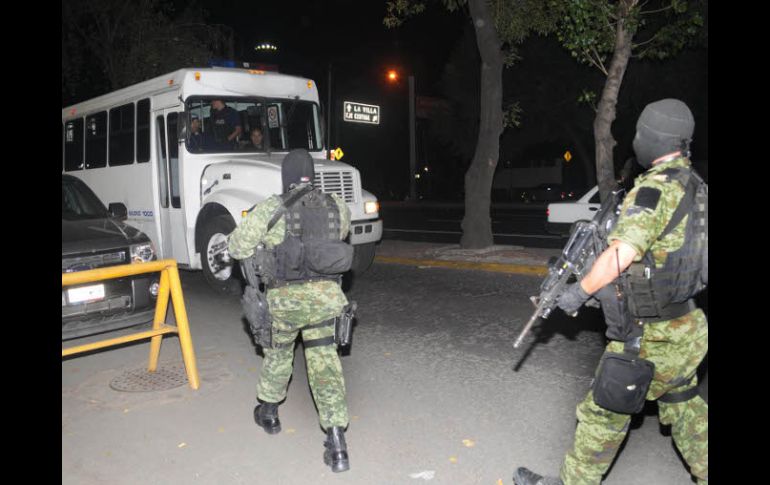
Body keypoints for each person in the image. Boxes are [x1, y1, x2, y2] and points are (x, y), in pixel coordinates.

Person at [513, 99, 708, 485]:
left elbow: (623, 253)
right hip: (687, 327)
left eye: (639, 133)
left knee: (602, 413)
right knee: (686, 410)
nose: (635, 140)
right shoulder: (697, 187)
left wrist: (576, 293)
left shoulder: (655, 190)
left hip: (648, 337)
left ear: (653, 138)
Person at [227, 149, 354, 473]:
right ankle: (337, 442)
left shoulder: (271, 207)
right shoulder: (335, 204)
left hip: (285, 301)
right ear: (314, 174)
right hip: (326, 298)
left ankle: (268, 413)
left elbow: (237, 246)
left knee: (279, 354)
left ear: (285, 176)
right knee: (325, 363)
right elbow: (339, 235)